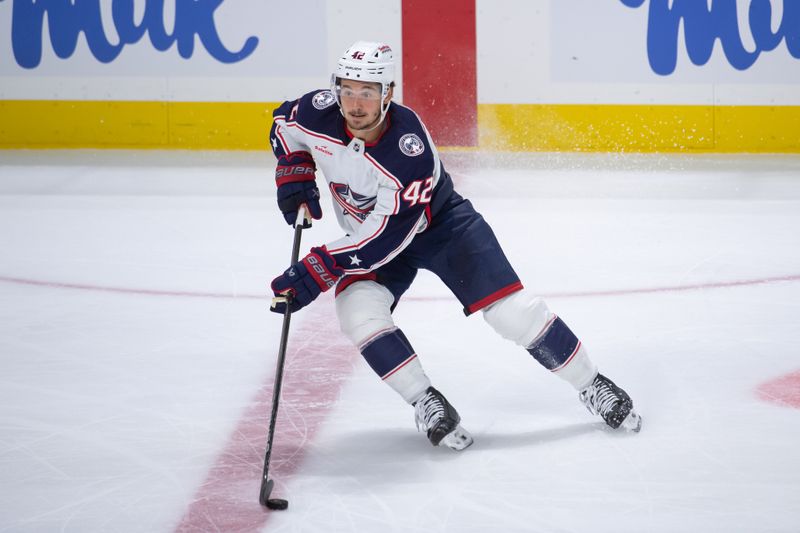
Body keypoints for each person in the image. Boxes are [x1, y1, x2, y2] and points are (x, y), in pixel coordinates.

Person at [268, 41, 641, 451]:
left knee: (512, 314)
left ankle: (592, 384)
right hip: (372, 235)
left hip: (440, 228)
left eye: (368, 92)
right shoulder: (316, 110)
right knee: (357, 312)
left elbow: (381, 240)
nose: (356, 104)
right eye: (349, 90)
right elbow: (283, 124)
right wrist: (294, 170)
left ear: (387, 94)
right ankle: (425, 400)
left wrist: (317, 268)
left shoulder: (408, 150)